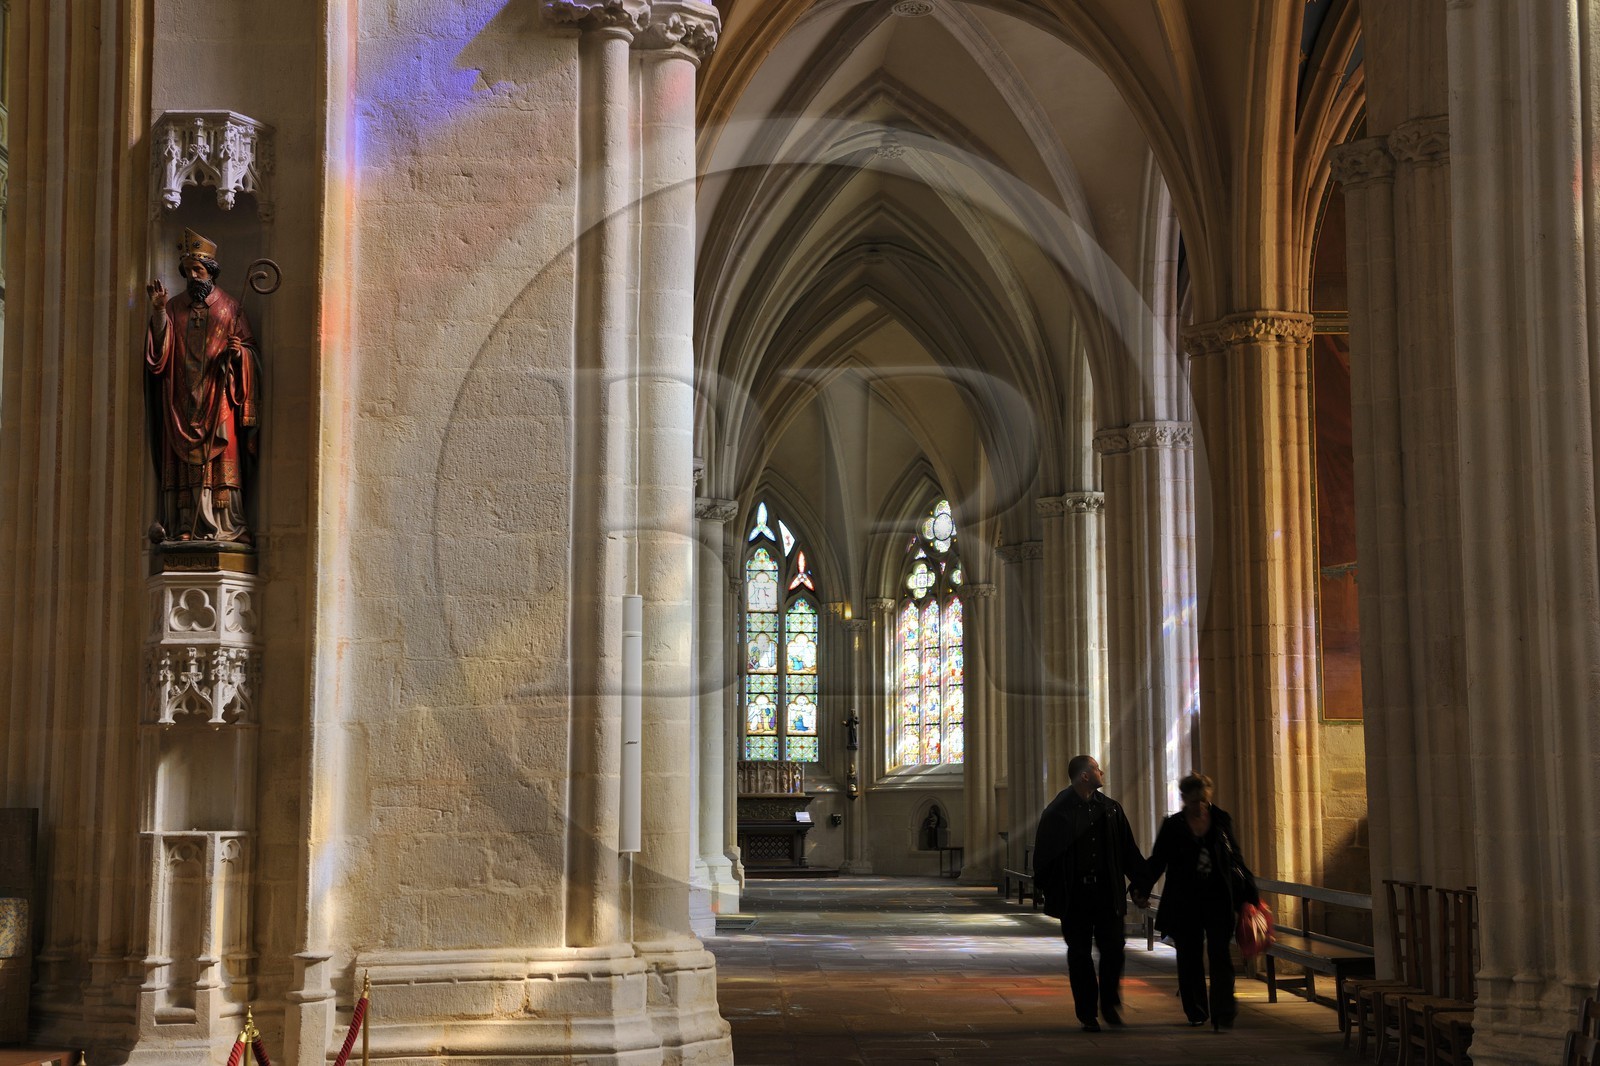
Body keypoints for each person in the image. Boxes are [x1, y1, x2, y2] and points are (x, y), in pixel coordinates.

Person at [145, 228, 260, 544]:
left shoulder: (230, 307)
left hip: (218, 397)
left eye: (198, 269)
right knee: (183, 464)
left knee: (221, 456)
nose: (193, 276)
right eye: (188, 271)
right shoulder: (173, 307)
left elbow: (250, 352)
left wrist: (238, 354)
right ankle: (185, 523)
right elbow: (159, 352)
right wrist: (158, 311)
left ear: (211, 271)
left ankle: (227, 524)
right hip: (180, 401)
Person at [1134, 772, 1259, 1031]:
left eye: (1204, 800)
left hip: (1218, 898)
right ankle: (1196, 1011)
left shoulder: (1221, 820)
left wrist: (1249, 897)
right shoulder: (1173, 826)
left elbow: (1235, 859)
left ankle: (1223, 1013)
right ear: (1184, 799)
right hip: (1185, 900)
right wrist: (1141, 888)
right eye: (1194, 802)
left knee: (1220, 955)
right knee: (1189, 957)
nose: (1200, 806)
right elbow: (1158, 860)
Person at [1034, 754, 1147, 1032]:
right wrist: (1051, 891)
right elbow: (1043, 858)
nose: (1102, 772)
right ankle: (1087, 1012)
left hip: (1107, 893)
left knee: (1114, 949)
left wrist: (1140, 884)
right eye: (1097, 768)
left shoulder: (1111, 809)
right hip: (1075, 895)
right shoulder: (1057, 812)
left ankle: (1109, 1004)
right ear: (1085, 775)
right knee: (1079, 953)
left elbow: (1128, 851)